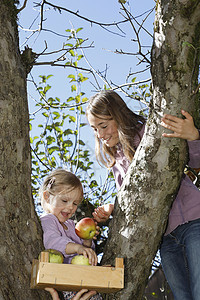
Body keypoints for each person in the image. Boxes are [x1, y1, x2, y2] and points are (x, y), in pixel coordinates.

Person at [86, 90, 200, 300]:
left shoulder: (149, 134)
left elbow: (195, 163)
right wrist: (113, 210)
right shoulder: (116, 161)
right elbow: (133, 201)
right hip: (164, 239)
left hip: (193, 221)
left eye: (103, 126)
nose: (100, 135)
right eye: (95, 129)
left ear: (118, 115)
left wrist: (193, 137)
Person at [39, 168, 102, 300]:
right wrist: (78, 248)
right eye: (64, 201)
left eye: (75, 203)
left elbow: (85, 252)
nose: (70, 208)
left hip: (80, 278)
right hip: (65, 282)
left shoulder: (72, 225)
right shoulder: (48, 220)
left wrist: (87, 241)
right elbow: (52, 242)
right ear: (47, 197)